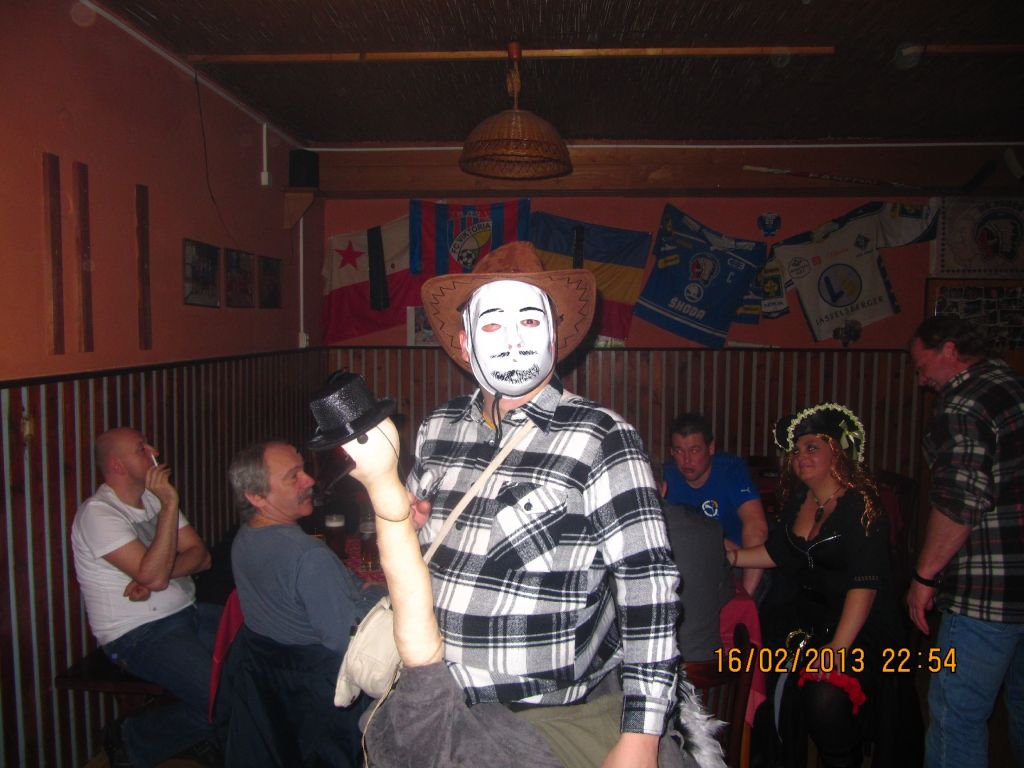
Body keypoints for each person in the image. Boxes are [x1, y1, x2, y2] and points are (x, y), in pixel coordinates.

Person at [730, 404, 913, 768]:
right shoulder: (802, 499)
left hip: (859, 626)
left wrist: (838, 648)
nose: (800, 457)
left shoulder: (862, 506)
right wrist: (732, 557)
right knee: (757, 667)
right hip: (808, 620)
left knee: (825, 697)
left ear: (837, 453)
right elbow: (780, 553)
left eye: (812, 447)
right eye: (796, 450)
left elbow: (865, 584)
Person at [906, 315, 1024, 768]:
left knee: (956, 717)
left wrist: (923, 576)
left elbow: (960, 501)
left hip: (988, 592)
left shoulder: (963, 401)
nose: (922, 381)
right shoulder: (1014, 386)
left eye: (922, 368)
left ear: (950, 350)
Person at [223, 440, 384, 767]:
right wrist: (377, 594)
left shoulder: (244, 539)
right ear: (257, 497)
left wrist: (355, 586)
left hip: (270, 692)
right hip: (322, 700)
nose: (309, 480)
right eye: (293, 476)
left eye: (304, 471)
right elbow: (346, 641)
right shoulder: (308, 556)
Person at [71, 427, 221, 768]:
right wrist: (170, 504)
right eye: (142, 448)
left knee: (257, 656)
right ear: (117, 465)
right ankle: (131, 738)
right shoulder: (99, 514)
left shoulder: (152, 500)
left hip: (189, 613)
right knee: (220, 700)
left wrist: (156, 576)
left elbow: (202, 557)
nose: (154, 451)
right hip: (139, 634)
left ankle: (202, 738)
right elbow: (153, 574)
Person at [661, 412, 768, 596]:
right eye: (679, 451)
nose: (686, 460)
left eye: (694, 450)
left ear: (710, 448)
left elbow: (757, 529)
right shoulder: (665, 476)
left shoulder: (731, 470)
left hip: (737, 563)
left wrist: (746, 598)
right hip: (688, 565)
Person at [662, 503, 735, 661]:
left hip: (638, 671)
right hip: (707, 666)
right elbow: (724, 596)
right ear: (665, 490)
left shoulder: (616, 535)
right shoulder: (709, 529)